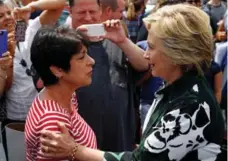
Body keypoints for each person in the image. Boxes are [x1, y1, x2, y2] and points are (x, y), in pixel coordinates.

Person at [40, 4, 225, 161]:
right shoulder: (176, 86)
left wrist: (75, 149)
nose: (145, 54)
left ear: (177, 54)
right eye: (81, 57)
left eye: (151, 47)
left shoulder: (190, 104)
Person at [69, 0, 148, 151]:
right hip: (81, 143)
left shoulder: (115, 40)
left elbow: (144, 65)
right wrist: (74, 38)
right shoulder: (60, 44)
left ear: (101, 11)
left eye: (92, 12)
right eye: (81, 12)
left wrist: (123, 41)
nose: (87, 17)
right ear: (70, 11)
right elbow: (41, 82)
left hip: (119, 139)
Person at [0, 0, 66, 159]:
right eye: (0, 16)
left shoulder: (23, 31)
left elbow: (60, 4)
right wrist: (6, 62)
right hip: (16, 120)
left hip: (44, 115)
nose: (7, 18)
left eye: (9, 13)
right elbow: (5, 88)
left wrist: (31, 7)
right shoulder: (1, 45)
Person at [25, 26, 96, 161]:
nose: (91, 61)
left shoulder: (68, 97)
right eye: (81, 57)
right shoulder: (52, 125)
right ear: (58, 70)